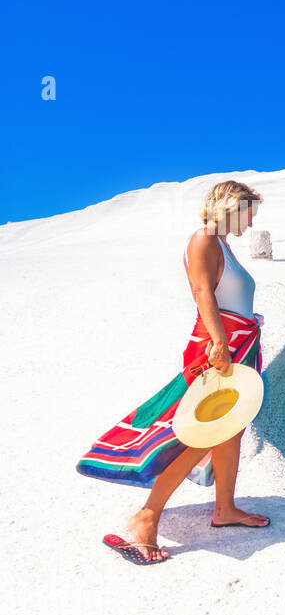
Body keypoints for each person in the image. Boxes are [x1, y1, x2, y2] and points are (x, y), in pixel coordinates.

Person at [77, 180, 271, 564]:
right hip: (219, 347)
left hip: (239, 344)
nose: (250, 223)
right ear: (231, 206)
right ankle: (145, 518)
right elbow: (202, 293)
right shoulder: (203, 239)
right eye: (249, 213)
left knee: (229, 430)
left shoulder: (223, 245)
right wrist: (219, 342)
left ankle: (225, 509)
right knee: (199, 431)